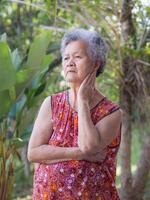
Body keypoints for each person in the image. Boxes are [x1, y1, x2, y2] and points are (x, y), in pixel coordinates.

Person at [27, 28, 122, 200]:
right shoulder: (51, 103)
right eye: (66, 58)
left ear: (96, 64)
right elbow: (33, 153)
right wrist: (79, 154)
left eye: (77, 57)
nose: (70, 62)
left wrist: (83, 100)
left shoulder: (111, 112)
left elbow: (89, 146)